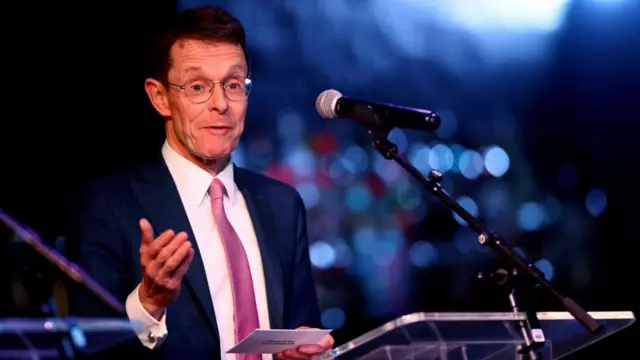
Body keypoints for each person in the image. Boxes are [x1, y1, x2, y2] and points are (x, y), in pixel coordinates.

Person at [67, 5, 334, 360]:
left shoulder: (282, 204)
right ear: (160, 97)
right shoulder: (108, 206)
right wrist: (149, 303)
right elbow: (88, 347)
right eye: (197, 87)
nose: (220, 104)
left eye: (233, 85)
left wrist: (304, 350)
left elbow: (301, 331)